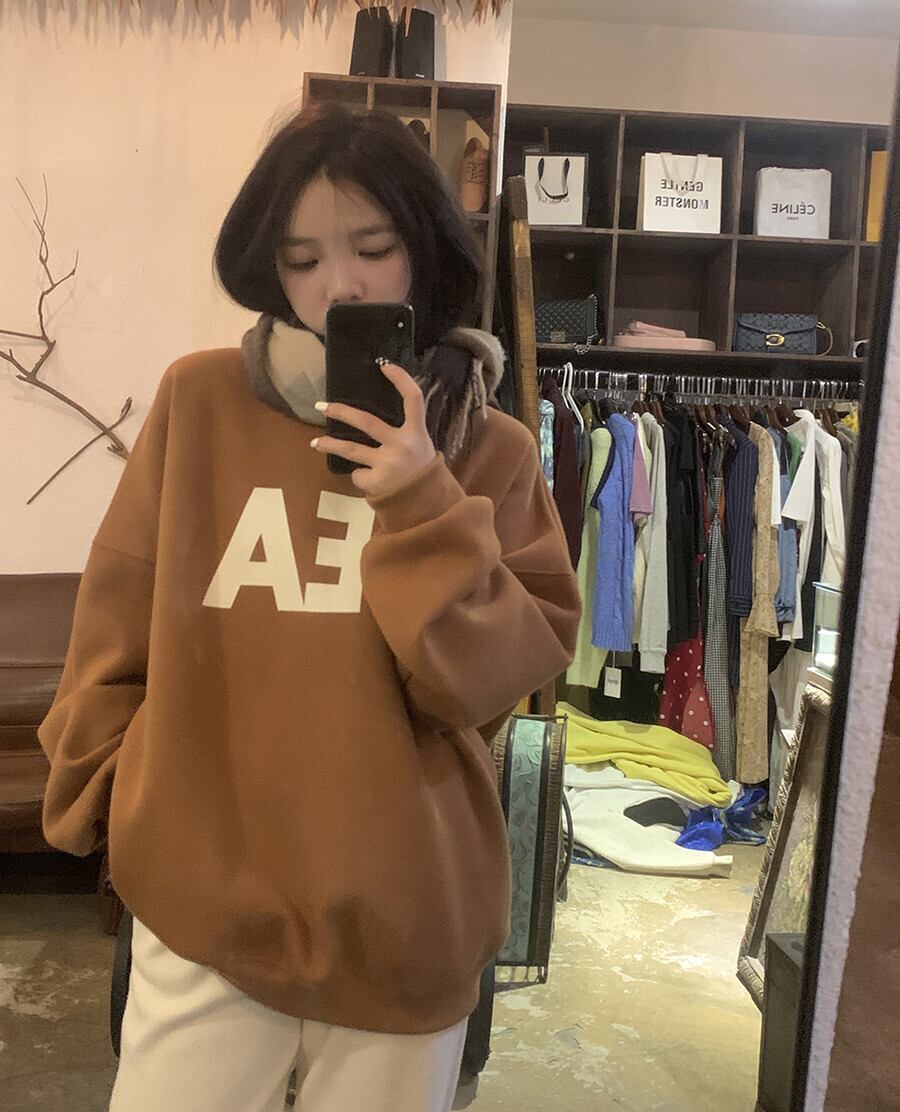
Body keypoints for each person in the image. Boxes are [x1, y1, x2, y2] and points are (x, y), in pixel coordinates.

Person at [37, 100, 580, 1112]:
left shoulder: (490, 449)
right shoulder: (200, 404)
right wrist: (121, 805)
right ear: (269, 267)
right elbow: (113, 625)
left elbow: (486, 685)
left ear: (423, 249)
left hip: (405, 927)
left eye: (373, 248)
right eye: (302, 259)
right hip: (203, 915)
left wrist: (422, 497)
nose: (340, 286)